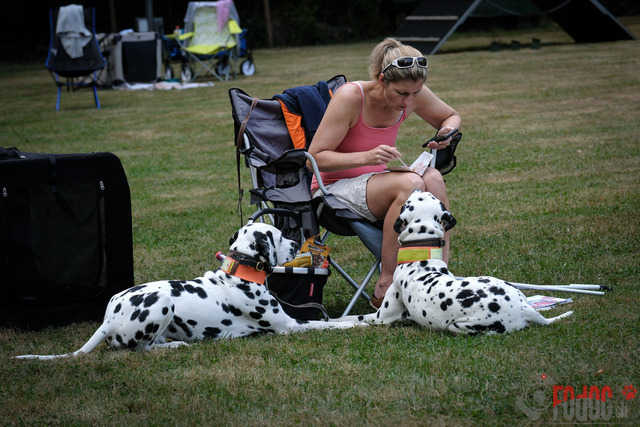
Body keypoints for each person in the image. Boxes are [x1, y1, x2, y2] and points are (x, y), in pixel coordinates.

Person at [308, 38, 461, 308]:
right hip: (333, 190)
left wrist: (446, 133)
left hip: (379, 185)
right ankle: (386, 284)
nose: (409, 101)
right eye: (402, 94)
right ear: (382, 80)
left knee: (434, 178)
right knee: (410, 183)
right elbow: (314, 159)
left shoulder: (411, 93)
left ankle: (439, 276)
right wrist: (366, 157)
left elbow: (450, 116)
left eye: (415, 93)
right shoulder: (351, 97)